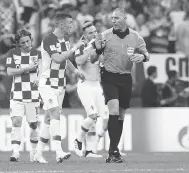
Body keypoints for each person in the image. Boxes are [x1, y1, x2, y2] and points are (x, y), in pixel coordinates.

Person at [95, 8, 149, 163]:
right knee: (113, 110)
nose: (114, 21)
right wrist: (98, 49)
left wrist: (142, 56)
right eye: (112, 18)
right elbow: (94, 56)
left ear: (125, 18)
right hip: (109, 76)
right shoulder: (105, 35)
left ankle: (113, 150)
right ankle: (113, 151)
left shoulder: (135, 37)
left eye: (117, 18)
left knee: (121, 115)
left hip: (125, 77)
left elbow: (147, 54)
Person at [34, 13, 85, 163]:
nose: (72, 26)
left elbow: (66, 59)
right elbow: (57, 58)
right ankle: (58, 151)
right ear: (61, 25)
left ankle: (38, 154)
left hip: (60, 84)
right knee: (55, 113)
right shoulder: (49, 38)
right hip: (47, 83)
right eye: (70, 23)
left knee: (49, 118)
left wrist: (75, 70)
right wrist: (76, 47)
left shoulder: (66, 39)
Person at [73, 22, 108, 158]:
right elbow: (79, 61)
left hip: (96, 85)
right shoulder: (81, 46)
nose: (94, 34)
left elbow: (104, 61)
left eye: (95, 31)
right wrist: (91, 47)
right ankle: (78, 139)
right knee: (92, 116)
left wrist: (99, 50)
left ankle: (90, 150)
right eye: (90, 33)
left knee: (103, 119)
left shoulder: (99, 45)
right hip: (85, 85)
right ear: (84, 35)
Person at [5, 29, 41, 162]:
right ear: (18, 44)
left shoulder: (38, 53)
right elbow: (9, 71)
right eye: (23, 42)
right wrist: (26, 68)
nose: (26, 44)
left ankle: (33, 152)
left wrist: (40, 78)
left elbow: (43, 70)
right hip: (17, 94)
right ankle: (15, 153)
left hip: (33, 94)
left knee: (33, 124)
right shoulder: (12, 53)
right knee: (16, 121)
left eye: (28, 41)